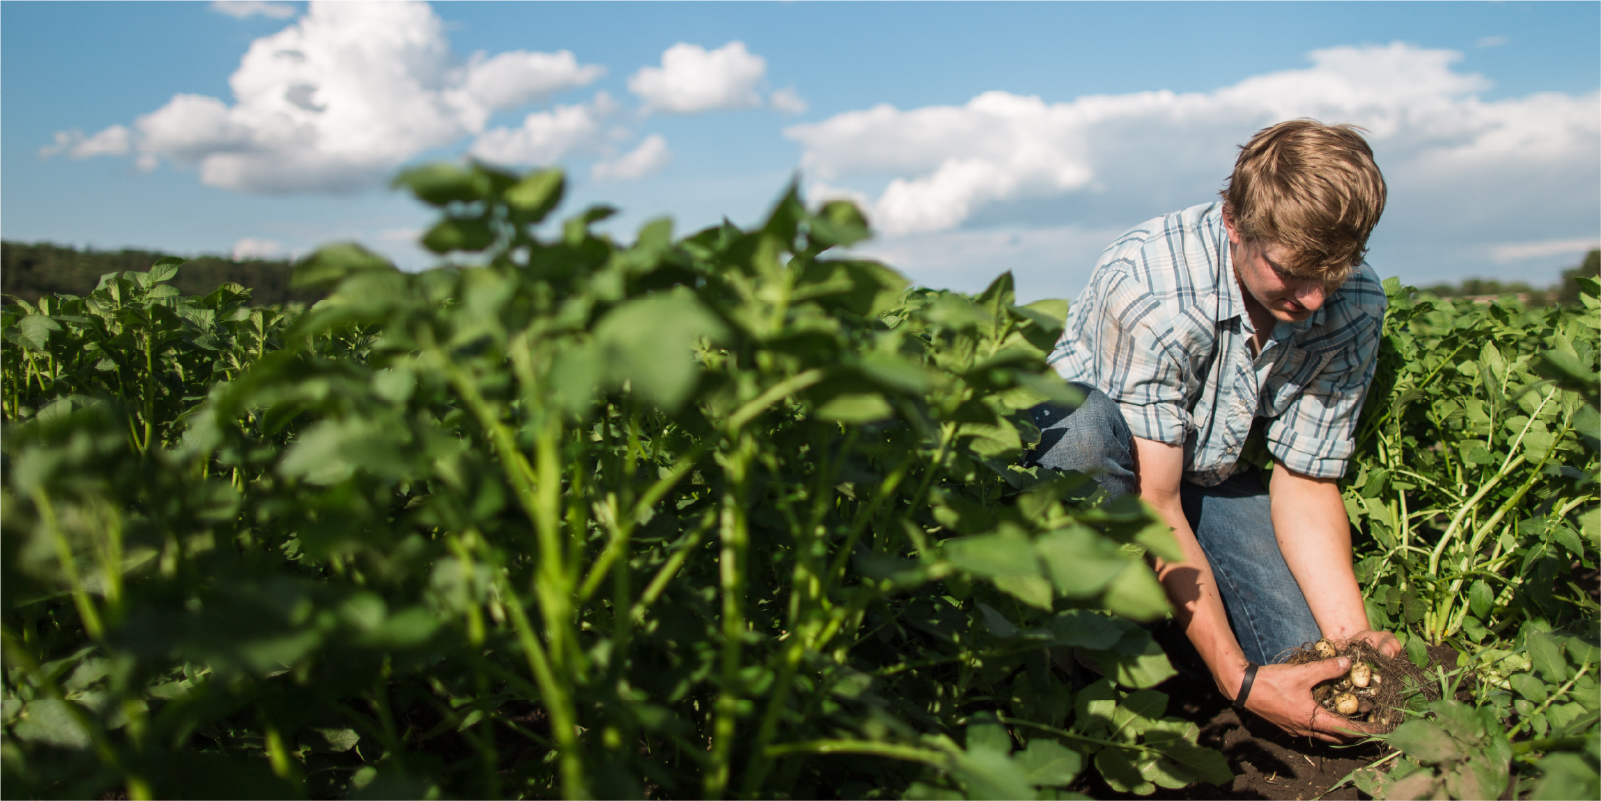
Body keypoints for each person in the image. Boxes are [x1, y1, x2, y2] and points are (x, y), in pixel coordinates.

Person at [1030, 119, 1402, 741]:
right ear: (1234, 220)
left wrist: (1353, 645)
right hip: (1103, 470)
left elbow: (1305, 482)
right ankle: (1073, 648)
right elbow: (1154, 500)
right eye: (1291, 270)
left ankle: (1184, 633)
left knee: (1313, 674)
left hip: (1204, 472)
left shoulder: (1354, 302)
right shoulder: (1152, 285)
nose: (1313, 299)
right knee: (1086, 437)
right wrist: (1239, 681)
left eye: (1332, 271)